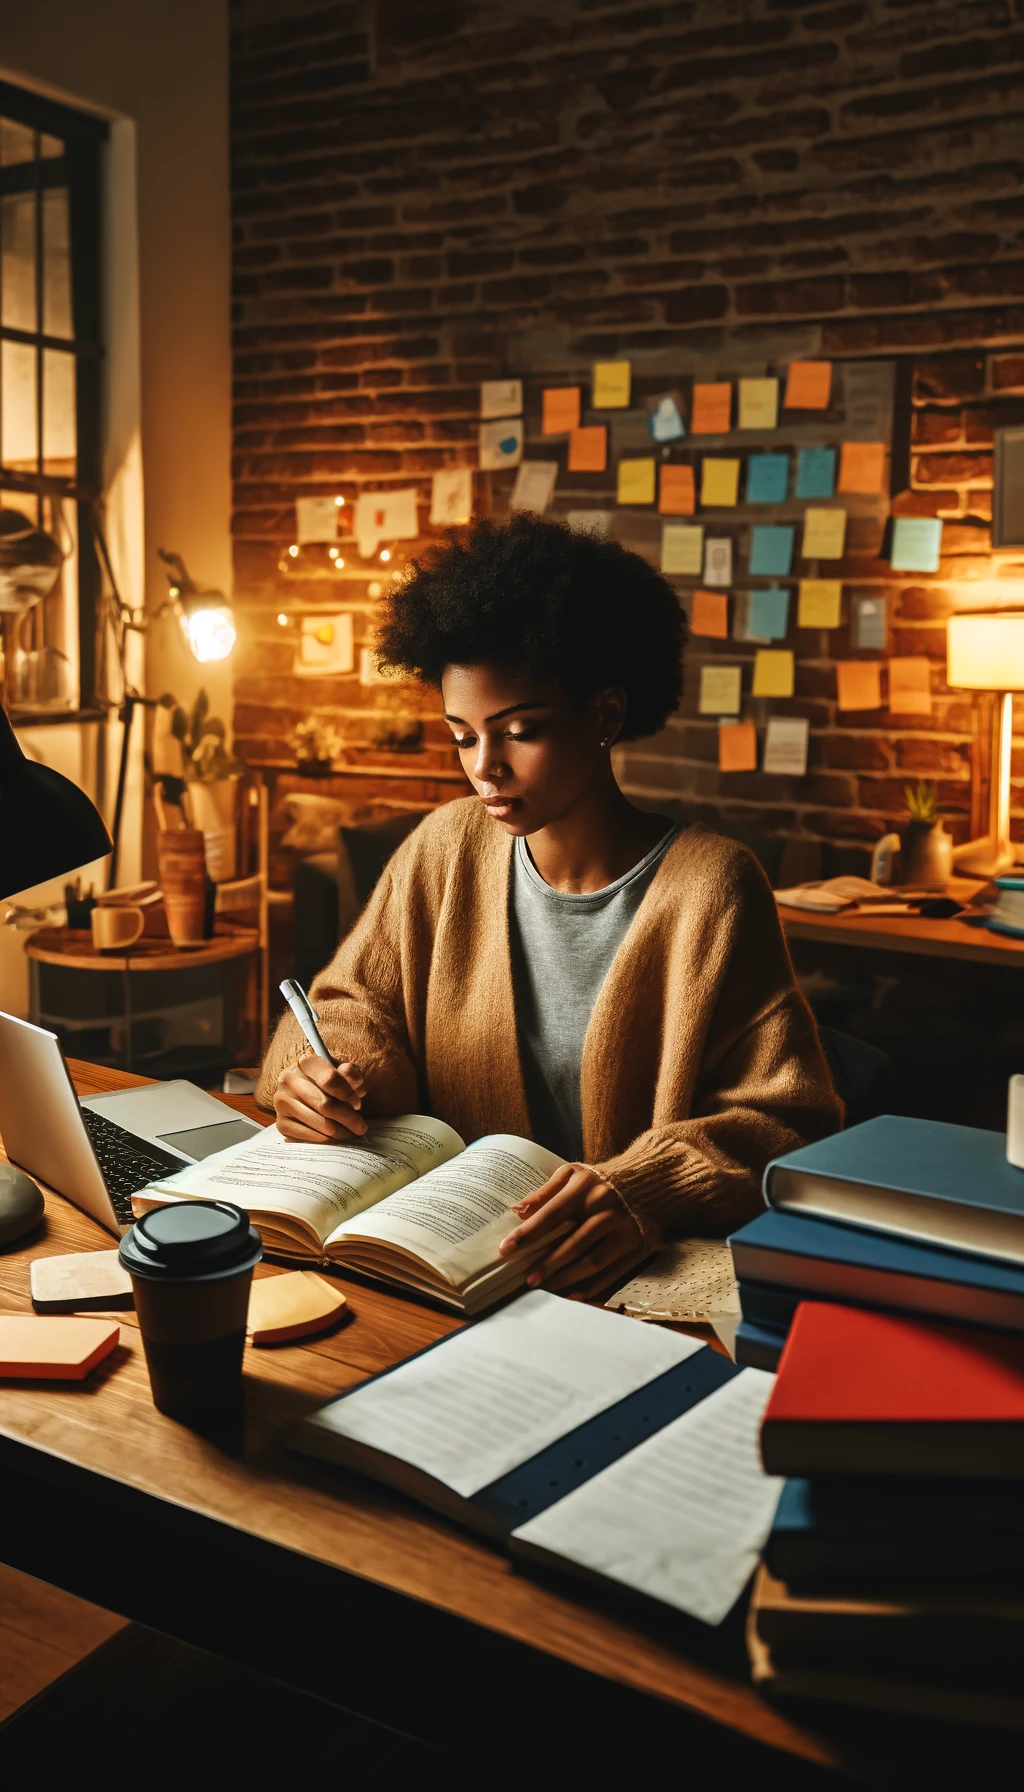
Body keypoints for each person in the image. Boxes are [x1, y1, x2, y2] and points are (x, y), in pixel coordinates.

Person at [257, 514, 840, 1297]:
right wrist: (321, 1072)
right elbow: (350, 1005)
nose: (485, 768)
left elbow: (789, 1122)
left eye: (520, 731)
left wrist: (644, 1185)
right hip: (438, 1271)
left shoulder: (712, 886)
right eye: (462, 737)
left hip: (614, 1287)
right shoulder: (445, 847)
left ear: (604, 714)